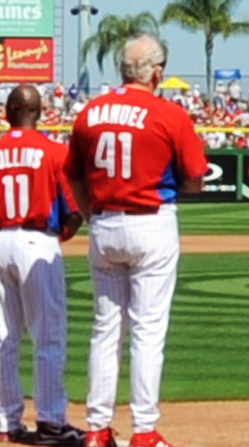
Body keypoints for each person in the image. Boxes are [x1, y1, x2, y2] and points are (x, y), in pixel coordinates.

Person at [66, 35, 208, 447]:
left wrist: (91, 213)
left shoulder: (91, 112)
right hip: (151, 223)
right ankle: (144, 431)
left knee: (105, 329)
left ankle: (96, 428)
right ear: (157, 72)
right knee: (147, 332)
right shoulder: (168, 113)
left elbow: (72, 173)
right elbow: (196, 179)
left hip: (105, 225)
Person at [0, 84, 85, 446]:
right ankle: (51, 422)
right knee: (48, 336)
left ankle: (5, 421)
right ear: (40, 112)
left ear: (7, 111)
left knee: (2, 339)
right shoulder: (55, 153)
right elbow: (75, 213)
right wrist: (54, 240)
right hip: (37, 241)